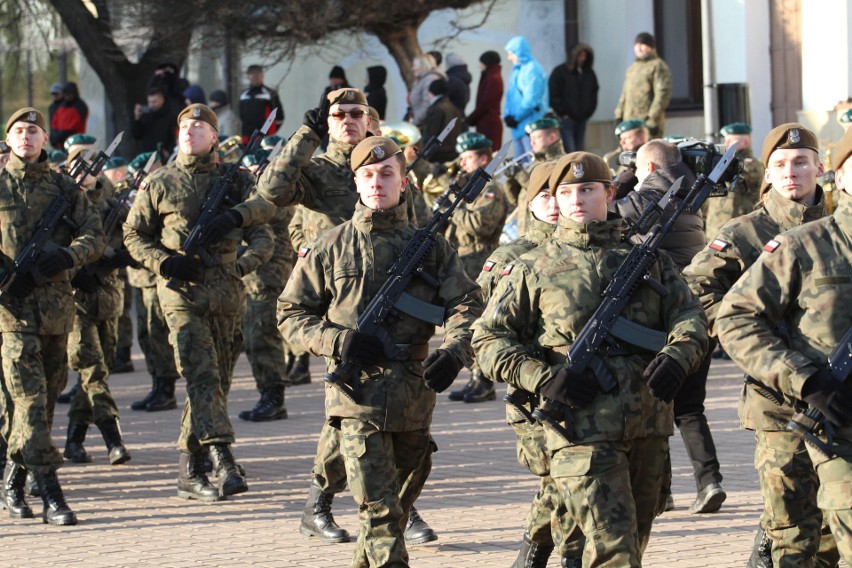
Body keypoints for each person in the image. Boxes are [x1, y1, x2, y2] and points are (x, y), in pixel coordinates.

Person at [473, 151, 708, 566]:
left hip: (648, 424)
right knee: (615, 551)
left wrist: (678, 354)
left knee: (633, 541)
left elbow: (689, 316)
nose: (577, 199)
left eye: (587, 189)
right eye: (566, 192)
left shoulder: (649, 261)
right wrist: (542, 378)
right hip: (579, 430)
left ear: (610, 193)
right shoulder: (532, 267)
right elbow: (489, 340)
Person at [278, 135, 482, 567]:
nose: (377, 182)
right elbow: (290, 314)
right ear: (356, 182)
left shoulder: (431, 248)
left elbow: (467, 304)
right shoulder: (330, 246)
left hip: (414, 395)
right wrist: (339, 340)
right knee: (381, 512)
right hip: (355, 398)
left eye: (386, 173)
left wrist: (455, 351)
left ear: (404, 182)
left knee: (389, 514)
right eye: (367, 175)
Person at [258, 87, 442, 546]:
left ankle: (398, 504)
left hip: (394, 295)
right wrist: (307, 133)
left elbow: (416, 225)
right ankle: (323, 502)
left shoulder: (391, 165)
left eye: (355, 113)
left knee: (393, 409)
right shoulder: (317, 170)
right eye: (337, 114)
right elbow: (272, 189)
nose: (346, 120)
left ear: (369, 118)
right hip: (337, 297)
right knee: (350, 410)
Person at [691, 123, 839, 567]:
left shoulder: (840, 229)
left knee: (834, 532)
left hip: (840, 401)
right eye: (780, 164)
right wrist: (760, 341)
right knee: (792, 528)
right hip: (777, 402)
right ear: (768, 175)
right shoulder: (743, 233)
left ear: (819, 168)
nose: (791, 171)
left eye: (800, 162)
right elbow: (697, 293)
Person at [123, 103, 275, 502]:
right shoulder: (160, 182)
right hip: (180, 291)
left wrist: (242, 261)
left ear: (213, 136)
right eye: (184, 127)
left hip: (225, 290)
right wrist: (164, 261)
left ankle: (188, 470)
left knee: (216, 382)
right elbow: (134, 235)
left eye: (199, 127)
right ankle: (223, 458)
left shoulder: (236, 180)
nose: (189, 132)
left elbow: (264, 228)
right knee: (201, 373)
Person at [475, 162, 585, 567]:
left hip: (586, 388)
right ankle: (543, 553)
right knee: (561, 480)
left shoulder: (591, 247)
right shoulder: (512, 256)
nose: (554, 205)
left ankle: (532, 553)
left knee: (566, 482)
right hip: (535, 391)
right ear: (530, 203)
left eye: (559, 195)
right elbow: (487, 325)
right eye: (543, 197)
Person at [0, 108, 105, 525]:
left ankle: (13, 477)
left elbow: (94, 236)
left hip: (57, 313)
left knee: (41, 407)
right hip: (9, 313)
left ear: (46, 140)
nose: (26, 137)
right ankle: (51, 492)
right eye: (18, 131)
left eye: (34, 131)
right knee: (27, 399)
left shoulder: (66, 189)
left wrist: (65, 255)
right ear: (8, 140)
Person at [613, 139, 727, 516]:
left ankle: (662, 491)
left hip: (657, 319)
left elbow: (605, 217)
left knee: (656, 410)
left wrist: (622, 180)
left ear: (647, 168)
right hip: (696, 319)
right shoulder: (692, 203)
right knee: (691, 407)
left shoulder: (644, 200)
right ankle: (709, 481)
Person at [62, 149, 134, 467]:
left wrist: (121, 255)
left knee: (97, 373)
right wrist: (76, 271)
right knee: (91, 369)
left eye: (89, 166)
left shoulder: (111, 200)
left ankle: (74, 440)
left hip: (108, 295)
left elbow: (135, 232)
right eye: (77, 166)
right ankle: (113, 438)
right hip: (74, 298)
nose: (84, 172)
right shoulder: (60, 200)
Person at [441, 133, 509, 405]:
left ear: (483, 159)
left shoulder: (490, 191)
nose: (462, 163)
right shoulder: (468, 187)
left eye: (468, 158)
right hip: (462, 262)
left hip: (481, 263)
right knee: (464, 320)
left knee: (479, 322)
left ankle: (484, 381)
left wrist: (454, 207)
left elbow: (481, 226)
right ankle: (474, 377)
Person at [702, 122, 764, 241]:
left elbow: (747, 175)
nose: (726, 144)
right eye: (725, 140)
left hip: (738, 231)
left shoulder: (752, 165)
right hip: (714, 231)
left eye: (730, 141)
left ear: (745, 143)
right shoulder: (722, 163)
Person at [615, 32, 672, 139]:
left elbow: (662, 94)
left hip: (646, 122)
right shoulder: (633, 68)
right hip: (629, 121)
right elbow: (625, 93)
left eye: (643, 44)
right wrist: (619, 114)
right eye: (636, 45)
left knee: (648, 152)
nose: (639, 48)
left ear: (651, 47)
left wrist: (652, 119)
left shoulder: (658, 66)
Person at [503, 36, 548, 159]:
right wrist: (507, 116)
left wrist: (515, 117)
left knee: (532, 164)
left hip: (530, 126)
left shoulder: (532, 70)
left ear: (519, 52)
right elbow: (511, 97)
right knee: (522, 166)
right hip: (519, 126)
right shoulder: (518, 71)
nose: (509, 58)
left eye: (511, 53)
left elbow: (531, 99)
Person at [548, 43, 598, 152]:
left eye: (584, 56)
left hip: (582, 118)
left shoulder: (589, 73)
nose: (582, 59)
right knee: (569, 149)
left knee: (579, 150)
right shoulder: (560, 72)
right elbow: (554, 93)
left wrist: (588, 112)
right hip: (566, 119)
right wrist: (562, 113)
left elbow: (593, 93)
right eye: (580, 56)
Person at [466, 51, 504, 149]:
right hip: (486, 122)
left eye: (482, 63)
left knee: (487, 152)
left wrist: (470, 119)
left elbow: (486, 104)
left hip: (489, 124)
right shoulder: (491, 77)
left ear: (487, 63)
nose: (480, 66)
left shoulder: (493, 79)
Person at [420, 78, 462, 164]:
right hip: (452, 152)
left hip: (436, 155)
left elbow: (431, 134)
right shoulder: (455, 108)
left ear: (431, 93)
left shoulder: (437, 109)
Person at [239, 64, 284, 143]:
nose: (254, 76)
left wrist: (270, 134)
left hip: (264, 138)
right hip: (246, 137)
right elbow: (241, 116)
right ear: (248, 76)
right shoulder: (243, 94)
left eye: (257, 73)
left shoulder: (270, 93)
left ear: (262, 76)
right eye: (252, 74)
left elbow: (279, 117)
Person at [132, 86, 178, 155]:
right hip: (147, 155)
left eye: (154, 102)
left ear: (162, 100)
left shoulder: (171, 117)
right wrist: (137, 119)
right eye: (149, 102)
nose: (151, 105)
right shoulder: (146, 115)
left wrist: (169, 152)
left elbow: (175, 138)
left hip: (164, 157)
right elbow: (137, 135)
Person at [408, 54, 445, 127]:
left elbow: (427, 104)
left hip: (423, 125)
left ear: (423, 66)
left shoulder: (429, 80)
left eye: (415, 65)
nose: (413, 68)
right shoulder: (421, 80)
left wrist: (415, 122)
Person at [49, 82, 88, 149]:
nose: (67, 97)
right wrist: (54, 135)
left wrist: (60, 136)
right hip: (61, 143)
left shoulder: (80, 106)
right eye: (65, 95)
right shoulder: (62, 105)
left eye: (69, 94)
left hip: (75, 142)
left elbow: (75, 125)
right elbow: (55, 122)